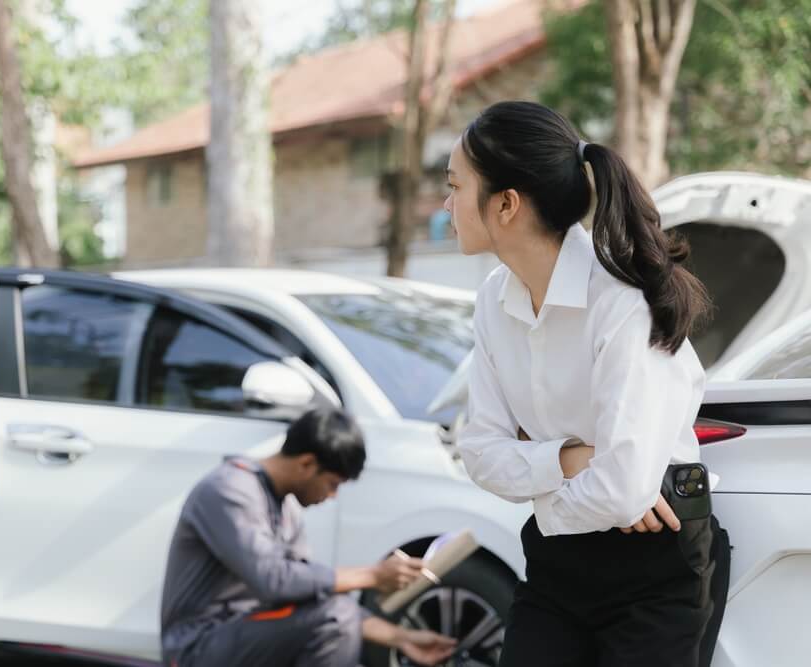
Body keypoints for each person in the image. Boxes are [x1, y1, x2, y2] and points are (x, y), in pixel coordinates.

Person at [443, 100, 729, 667]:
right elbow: (477, 451)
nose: (446, 205)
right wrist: (575, 460)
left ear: (506, 205)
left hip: (656, 566)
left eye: (454, 187)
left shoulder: (621, 301)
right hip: (557, 571)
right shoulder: (493, 301)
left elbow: (625, 489)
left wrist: (540, 475)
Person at [160, 406, 457, 667]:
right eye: (332, 484)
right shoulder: (228, 490)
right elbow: (274, 580)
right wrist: (374, 575)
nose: (331, 496)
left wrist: (401, 638)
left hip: (251, 636)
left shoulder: (286, 507)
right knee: (336, 622)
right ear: (306, 464)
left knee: (340, 628)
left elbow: (309, 595)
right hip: (196, 649)